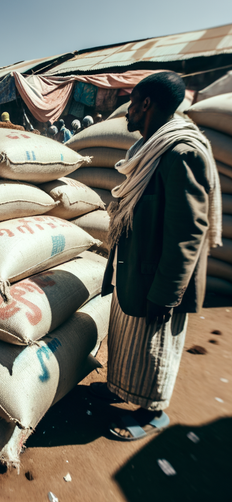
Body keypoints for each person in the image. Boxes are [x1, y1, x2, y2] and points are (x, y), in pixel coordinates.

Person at [91, 72, 221, 440]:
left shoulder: (180, 152)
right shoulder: (148, 149)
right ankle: (120, 389)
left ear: (146, 105)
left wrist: (167, 293)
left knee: (156, 346)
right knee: (128, 339)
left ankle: (154, 414)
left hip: (158, 278)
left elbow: (188, 231)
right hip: (135, 268)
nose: (127, 113)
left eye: (131, 104)